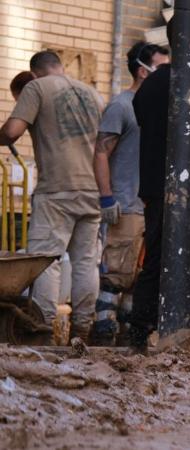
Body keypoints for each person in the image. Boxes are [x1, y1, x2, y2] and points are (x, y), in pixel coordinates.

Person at [128, 20, 190, 352]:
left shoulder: (150, 85)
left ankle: (140, 332)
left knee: (155, 257)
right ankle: (178, 333)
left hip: (156, 189)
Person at [0, 51, 104, 341]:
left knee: (47, 259)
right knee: (85, 262)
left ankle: (43, 328)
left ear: (34, 72)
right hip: (93, 189)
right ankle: (83, 329)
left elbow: (12, 131)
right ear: (59, 67)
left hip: (57, 189)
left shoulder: (36, 87)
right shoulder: (93, 94)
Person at [90, 42, 170, 346]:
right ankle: (102, 334)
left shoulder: (159, 108)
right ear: (142, 70)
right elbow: (100, 153)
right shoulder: (121, 106)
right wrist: (107, 198)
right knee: (116, 274)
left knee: (138, 276)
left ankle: (126, 340)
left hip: (149, 203)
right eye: (161, 68)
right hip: (126, 204)